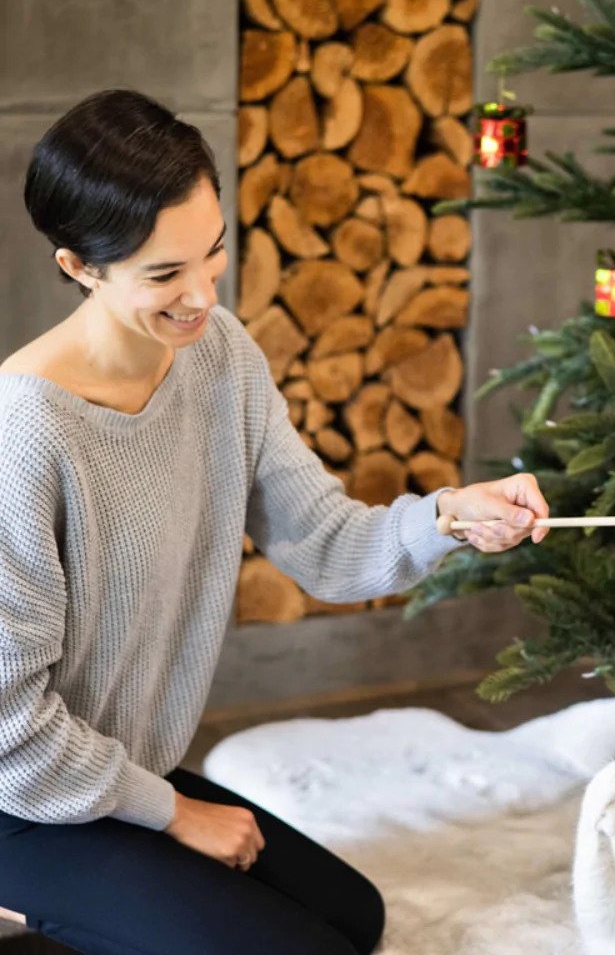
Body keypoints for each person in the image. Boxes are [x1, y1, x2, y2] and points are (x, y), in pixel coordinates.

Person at [0, 89, 550, 955]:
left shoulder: (218, 355)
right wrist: (177, 813)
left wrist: (449, 516)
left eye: (212, 254)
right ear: (79, 267)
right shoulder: (27, 431)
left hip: (114, 776)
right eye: (163, 275)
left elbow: (328, 546)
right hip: (19, 798)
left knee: (353, 919)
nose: (200, 295)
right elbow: (7, 727)